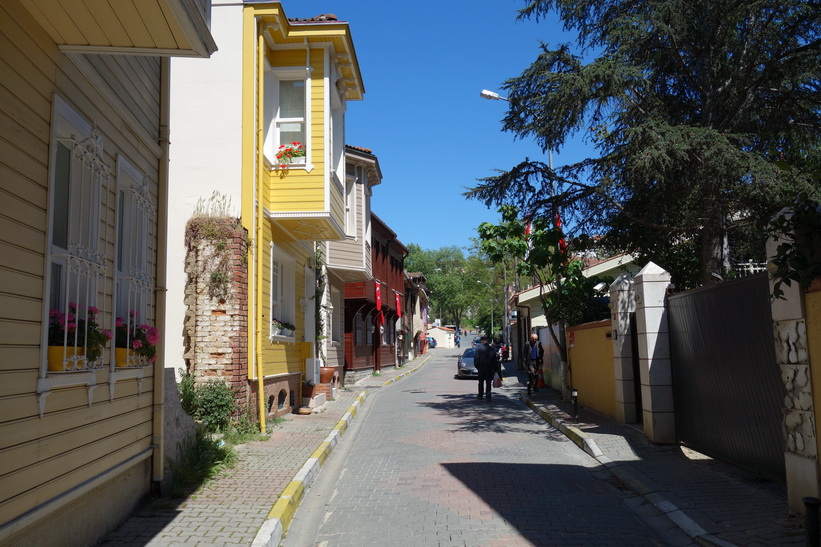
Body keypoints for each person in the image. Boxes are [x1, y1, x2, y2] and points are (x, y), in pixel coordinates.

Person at [474, 335, 501, 401]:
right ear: (487, 341)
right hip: (489, 368)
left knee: (481, 382)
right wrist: (495, 369)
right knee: (488, 382)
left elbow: (476, 359)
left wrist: (478, 367)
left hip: (481, 368)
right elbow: (494, 360)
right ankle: (488, 396)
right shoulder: (491, 349)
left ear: (482, 341)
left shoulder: (478, 349)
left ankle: (480, 395)